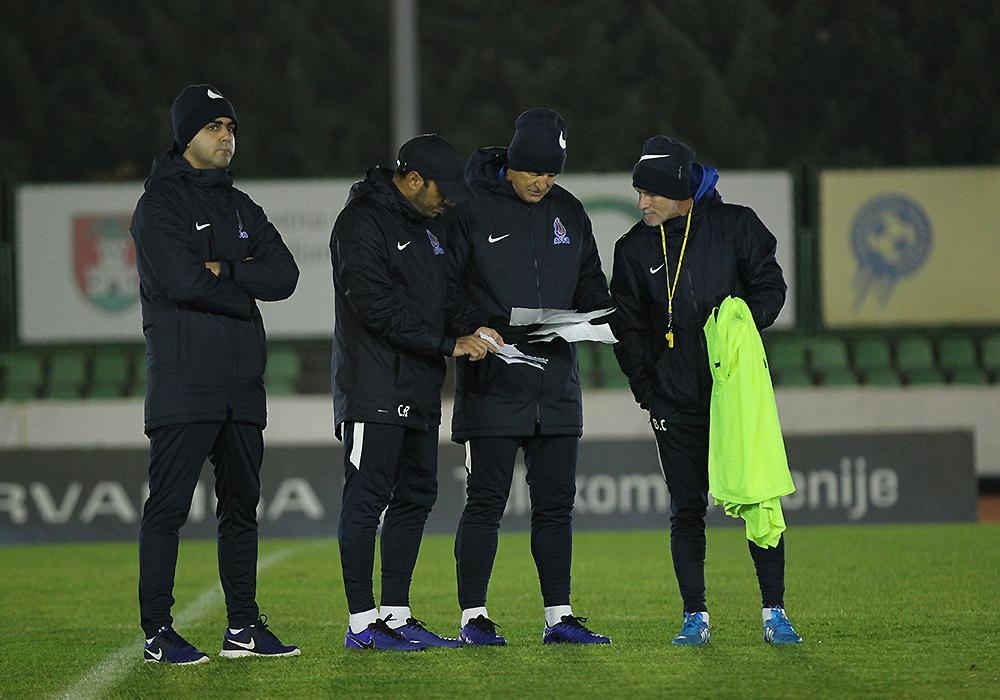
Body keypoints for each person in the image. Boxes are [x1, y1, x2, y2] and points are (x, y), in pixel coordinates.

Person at [609, 136, 803, 645]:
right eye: (638, 193)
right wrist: (647, 391)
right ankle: (695, 616)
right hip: (674, 400)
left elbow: (771, 288)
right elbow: (627, 328)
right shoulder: (632, 249)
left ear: (679, 191)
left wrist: (739, 320)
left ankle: (775, 613)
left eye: (649, 193)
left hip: (735, 395)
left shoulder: (738, 226)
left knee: (759, 500)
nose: (641, 203)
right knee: (686, 508)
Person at [131, 84, 301, 664]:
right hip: (185, 382)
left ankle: (243, 628)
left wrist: (226, 270)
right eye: (214, 127)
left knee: (241, 511)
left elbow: (285, 276)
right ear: (187, 136)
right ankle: (157, 632)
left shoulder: (241, 205)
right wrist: (244, 289)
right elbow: (182, 282)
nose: (227, 137)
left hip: (241, 385)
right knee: (169, 510)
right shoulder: (158, 205)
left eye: (230, 127)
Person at [447, 109, 612, 645]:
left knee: (556, 508)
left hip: (557, 385)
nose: (544, 182)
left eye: (552, 173)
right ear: (513, 163)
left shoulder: (570, 211)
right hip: (492, 383)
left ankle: (559, 617)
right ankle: (473, 617)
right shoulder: (470, 209)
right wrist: (473, 326)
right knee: (486, 502)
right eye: (536, 171)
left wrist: (596, 318)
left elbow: (591, 283)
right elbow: (446, 287)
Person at [330, 134, 501, 651]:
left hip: (420, 386)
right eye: (440, 191)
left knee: (416, 495)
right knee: (367, 499)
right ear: (411, 180)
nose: (447, 201)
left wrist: (477, 326)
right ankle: (362, 624)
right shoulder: (360, 223)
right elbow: (374, 307)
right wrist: (450, 343)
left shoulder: (430, 227)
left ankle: (396, 614)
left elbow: (445, 298)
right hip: (373, 386)